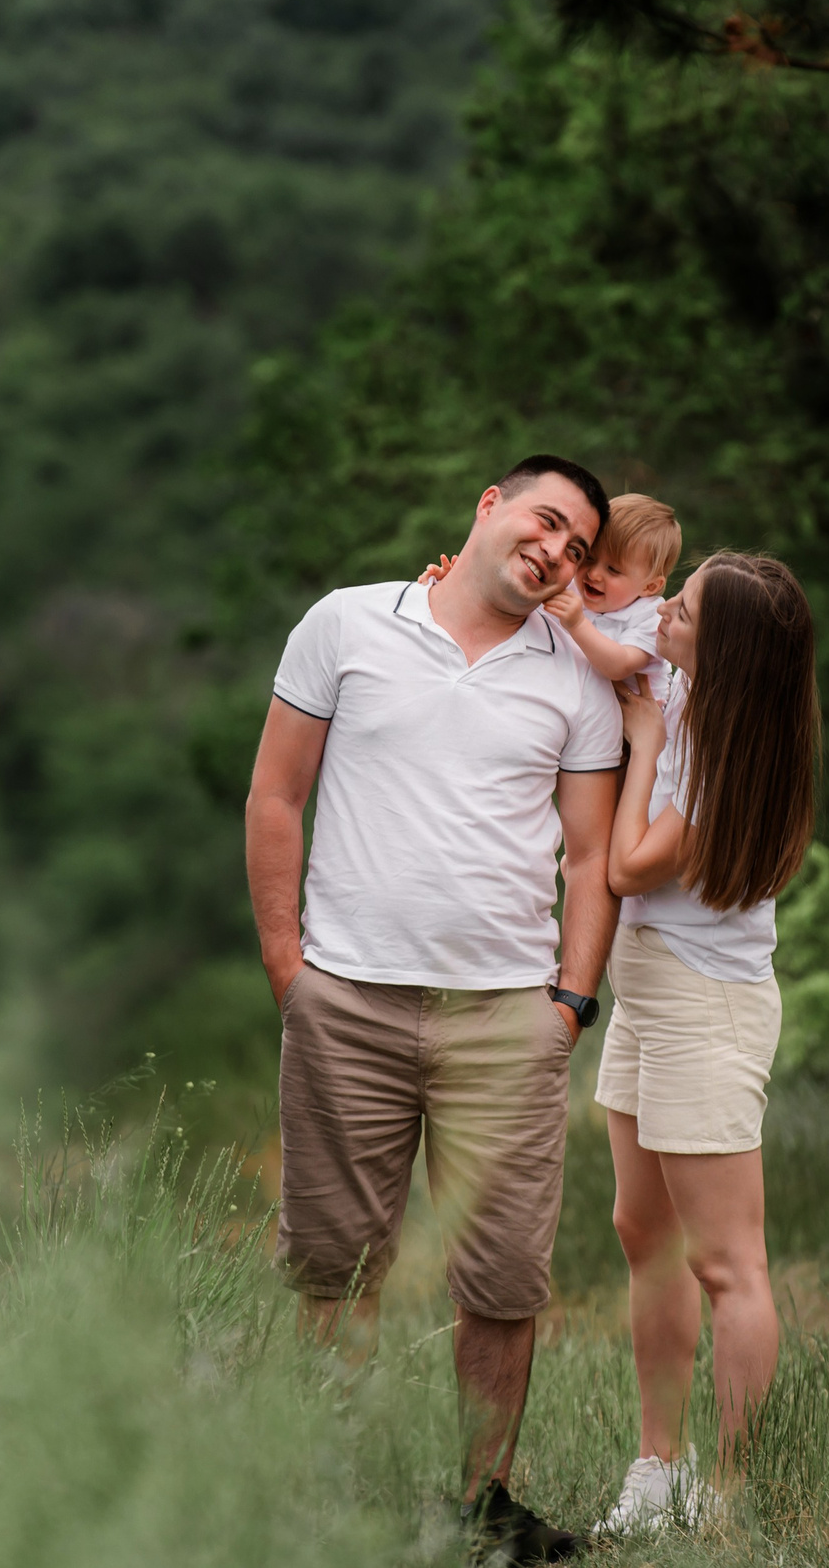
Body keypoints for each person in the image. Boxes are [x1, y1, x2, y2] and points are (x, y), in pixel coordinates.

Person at [245, 455, 623, 1566]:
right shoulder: (347, 622)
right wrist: (287, 965)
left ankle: (481, 1508)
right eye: (547, 521)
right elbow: (276, 792)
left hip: (506, 1017)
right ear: (491, 506)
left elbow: (594, 856)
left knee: (503, 1275)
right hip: (346, 1002)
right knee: (332, 1261)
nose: (556, 550)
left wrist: (568, 1001)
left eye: (579, 548)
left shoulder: (576, 679)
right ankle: (331, 1495)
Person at [594, 552, 820, 1536]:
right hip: (646, 989)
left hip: (704, 1005)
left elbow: (627, 865)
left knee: (727, 1261)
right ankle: (659, 1466)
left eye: (679, 612)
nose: (662, 615)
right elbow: (603, 614)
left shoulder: (728, 756)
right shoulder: (693, 677)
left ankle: (732, 1498)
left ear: (717, 652)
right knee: (642, 1234)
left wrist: (642, 739)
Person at [543, 494, 680, 692]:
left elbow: (620, 665)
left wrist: (578, 624)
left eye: (613, 570)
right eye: (589, 557)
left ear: (649, 587)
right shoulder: (571, 587)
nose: (594, 573)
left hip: (629, 716)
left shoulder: (650, 617)